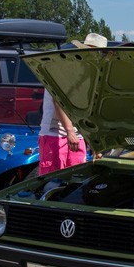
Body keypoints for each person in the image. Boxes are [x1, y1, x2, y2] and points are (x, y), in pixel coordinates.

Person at [37, 33, 109, 175]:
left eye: (99, 54)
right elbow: (58, 101)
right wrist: (70, 132)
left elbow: (88, 110)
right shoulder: (64, 69)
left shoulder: (90, 74)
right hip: (55, 134)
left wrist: (93, 142)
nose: (96, 57)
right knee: (53, 179)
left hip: (77, 134)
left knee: (78, 176)